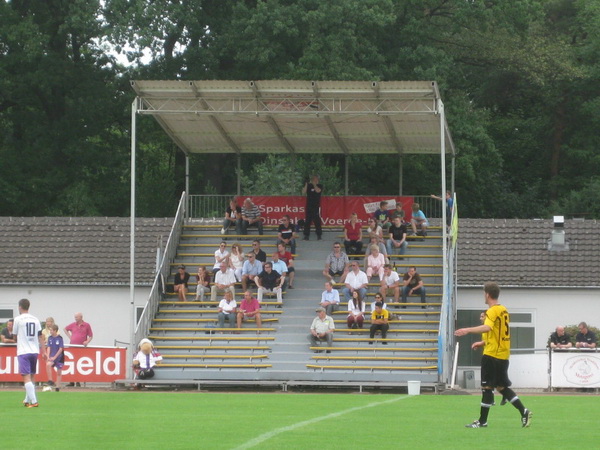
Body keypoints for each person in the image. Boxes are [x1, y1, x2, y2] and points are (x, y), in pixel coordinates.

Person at [455, 282, 532, 429]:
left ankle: (482, 421)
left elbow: (487, 327)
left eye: (484, 293)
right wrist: (482, 343)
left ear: (487, 294)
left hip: (492, 356)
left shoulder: (492, 311)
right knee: (502, 387)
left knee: (487, 387)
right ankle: (524, 411)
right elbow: (496, 333)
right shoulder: (504, 310)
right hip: (503, 355)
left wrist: (467, 330)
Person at [13, 298, 46, 407]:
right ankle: (27, 399)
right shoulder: (35, 319)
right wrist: (44, 351)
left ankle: (34, 401)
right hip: (34, 351)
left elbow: (14, 337)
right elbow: (40, 336)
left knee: (26, 377)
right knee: (32, 376)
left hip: (23, 351)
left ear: (20, 307)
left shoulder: (18, 319)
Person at [302, 175, 323, 241]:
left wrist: (314, 184)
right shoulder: (309, 186)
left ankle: (319, 235)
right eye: (313, 179)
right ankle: (306, 235)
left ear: (317, 179)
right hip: (309, 206)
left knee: (317, 220)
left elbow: (318, 191)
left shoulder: (320, 186)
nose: (313, 180)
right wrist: (306, 184)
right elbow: (303, 192)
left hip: (316, 206)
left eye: (315, 179)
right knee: (307, 220)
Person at [45, 324, 64, 392]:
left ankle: (57, 387)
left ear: (55, 331)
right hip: (52, 357)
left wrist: (55, 357)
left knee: (59, 372)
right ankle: (50, 380)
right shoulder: (50, 338)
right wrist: (48, 356)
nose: (50, 331)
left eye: (51, 330)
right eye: (50, 330)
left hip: (59, 357)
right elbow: (48, 347)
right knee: (48, 365)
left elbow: (60, 349)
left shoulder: (60, 338)